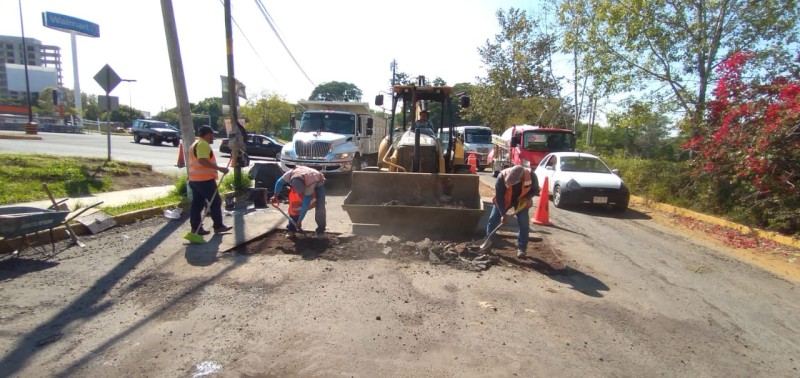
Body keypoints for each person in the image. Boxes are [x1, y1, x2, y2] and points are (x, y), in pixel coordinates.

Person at [485, 165, 538, 258]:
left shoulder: (531, 175)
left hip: (521, 200)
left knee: (524, 223)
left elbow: (535, 190)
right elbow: (499, 197)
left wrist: (526, 198)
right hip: (505, 200)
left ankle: (522, 248)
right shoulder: (501, 177)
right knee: (493, 219)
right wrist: (502, 214)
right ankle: (488, 242)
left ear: (520, 178)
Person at [187, 125, 232, 236]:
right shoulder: (202, 144)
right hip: (204, 180)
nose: (213, 137)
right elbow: (202, 161)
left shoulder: (195, 144)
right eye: (212, 135)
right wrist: (219, 168)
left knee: (197, 204)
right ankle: (218, 226)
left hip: (194, 180)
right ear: (207, 134)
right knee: (215, 201)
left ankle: (196, 228)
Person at [270, 165, 327, 240]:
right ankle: (291, 229)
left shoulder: (309, 186)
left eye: (301, 194)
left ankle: (320, 231)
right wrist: (275, 196)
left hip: (317, 181)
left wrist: (300, 220)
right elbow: (279, 182)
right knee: (295, 204)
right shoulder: (289, 175)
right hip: (305, 177)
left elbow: (305, 204)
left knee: (320, 206)